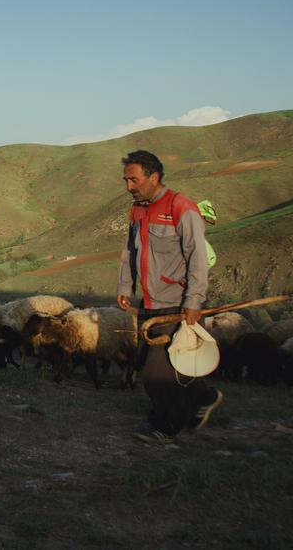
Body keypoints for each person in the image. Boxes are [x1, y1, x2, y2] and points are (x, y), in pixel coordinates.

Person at [116, 150, 223, 444]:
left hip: (175, 303)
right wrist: (125, 286)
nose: (129, 187)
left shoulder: (181, 208)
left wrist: (193, 302)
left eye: (134, 180)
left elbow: (198, 258)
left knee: (156, 374)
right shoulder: (137, 210)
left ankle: (167, 427)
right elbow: (130, 252)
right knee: (172, 365)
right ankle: (205, 396)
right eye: (125, 180)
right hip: (149, 302)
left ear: (154, 177)